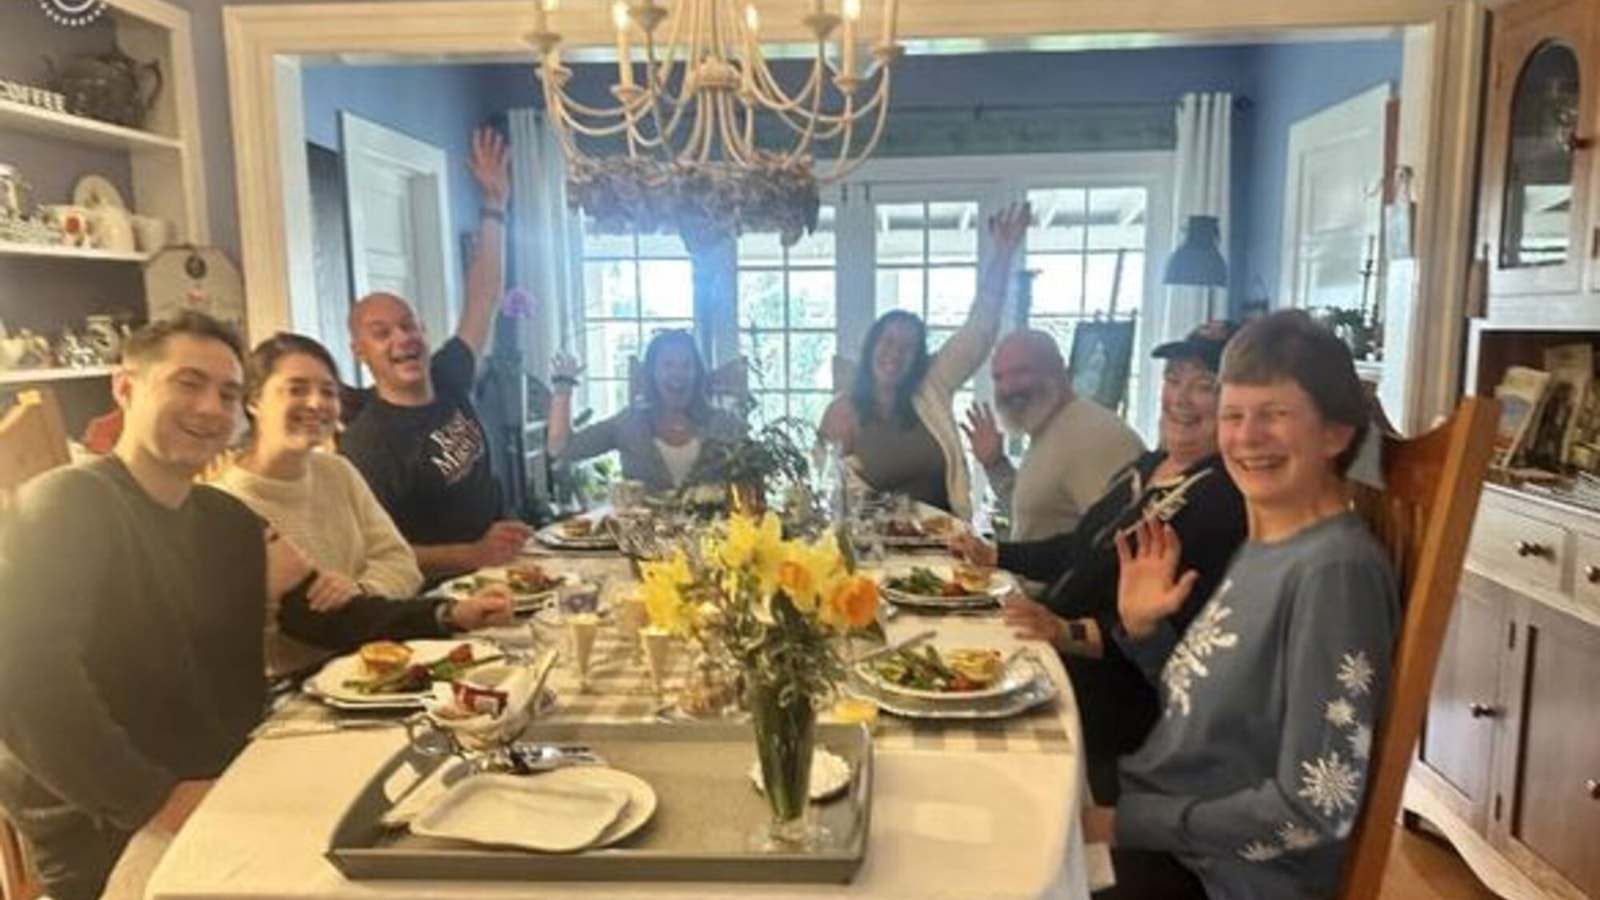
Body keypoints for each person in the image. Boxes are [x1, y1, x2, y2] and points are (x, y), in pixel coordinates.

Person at [1083, 310, 1399, 900]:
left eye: (1275, 415)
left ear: (1335, 432)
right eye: (1234, 415)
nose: (1246, 437)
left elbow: (1314, 807)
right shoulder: (1269, 546)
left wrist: (1121, 824)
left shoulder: (1335, 573)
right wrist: (1145, 630)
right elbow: (1215, 719)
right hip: (1162, 822)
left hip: (1220, 877)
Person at [954, 321, 1245, 803]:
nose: (1180, 398)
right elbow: (1080, 548)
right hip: (1059, 647)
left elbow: (1173, 631)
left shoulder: (1218, 499)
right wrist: (997, 554)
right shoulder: (1151, 466)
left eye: (1204, 386)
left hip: (1111, 696)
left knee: (974, 748)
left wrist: (1065, 631)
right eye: (1174, 380)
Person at [341, 126, 531, 581]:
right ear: (360, 351)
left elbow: (483, 296)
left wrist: (495, 206)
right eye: (381, 333)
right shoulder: (367, 443)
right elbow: (373, 549)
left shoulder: (448, 376)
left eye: (408, 326)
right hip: (440, 602)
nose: (401, 339)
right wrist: (473, 554)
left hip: (500, 574)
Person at [214, 333, 426, 676]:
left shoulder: (337, 471)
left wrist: (357, 591)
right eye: (296, 389)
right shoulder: (226, 504)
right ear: (253, 400)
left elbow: (401, 562)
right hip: (291, 692)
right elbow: (240, 633)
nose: (316, 403)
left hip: (374, 665)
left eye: (328, 392)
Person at [819, 202, 1030, 520]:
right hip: (877, 549)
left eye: (908, 347)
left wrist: (1002, 254)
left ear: (917, 358)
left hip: (947, 542)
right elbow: (828, 492)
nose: (895, 353)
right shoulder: (841, 411)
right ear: (871, 346)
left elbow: (980, 329)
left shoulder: (932, 386)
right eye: (887, 341)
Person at [962, 328, 1143, 541]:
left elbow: (1116, 541)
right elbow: (1034, 512)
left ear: (1058, 369)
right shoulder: (1049, 427)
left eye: (1021, 371)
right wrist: (995, 464)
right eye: (999, 377)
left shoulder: (1093, 435)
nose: (1008, 387)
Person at [545, 329, 744, 493]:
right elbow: (561, 449)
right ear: (653, 373)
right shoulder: (629, 423)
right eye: (667, 365)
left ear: (697, 374)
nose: (678, 374)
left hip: (711, 537)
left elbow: (752, 475)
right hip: (641, 536)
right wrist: (563, 387)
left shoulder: (723, 423)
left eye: (686, 365)